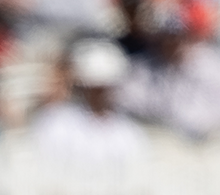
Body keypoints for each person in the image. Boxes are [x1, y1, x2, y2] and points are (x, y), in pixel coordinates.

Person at [117, 0, 220, 139]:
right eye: (166, 36)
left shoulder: (216, 66)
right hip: (161, 143)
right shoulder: (143, 67)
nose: (172, 43)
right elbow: (128, 105)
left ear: (189, 35)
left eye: (178, 36)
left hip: (208, 144)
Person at [33, 38, 147, 167]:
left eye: (105, 86)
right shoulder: (56, 121)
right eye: (94, 87)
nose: (100, 92)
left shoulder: (129, 132)